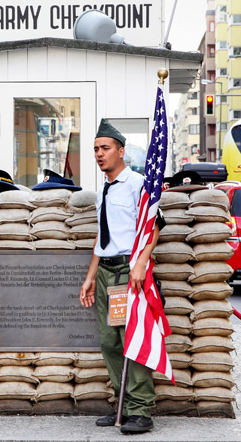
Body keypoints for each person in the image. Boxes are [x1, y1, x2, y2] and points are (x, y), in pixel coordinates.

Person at [79, 119, 160, 435]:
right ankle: (124, 405)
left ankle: (141, 409)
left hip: (130, 271)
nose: (99, 154)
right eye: (96, 149)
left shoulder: (138, 184)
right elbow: (103, 238)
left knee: (132, 339)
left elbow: (153, 227)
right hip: (105, 273)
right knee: (110, 340)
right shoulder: (105, 189)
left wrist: (140, 264)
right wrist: (90, 276)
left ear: (121, 151)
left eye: (105, 148)